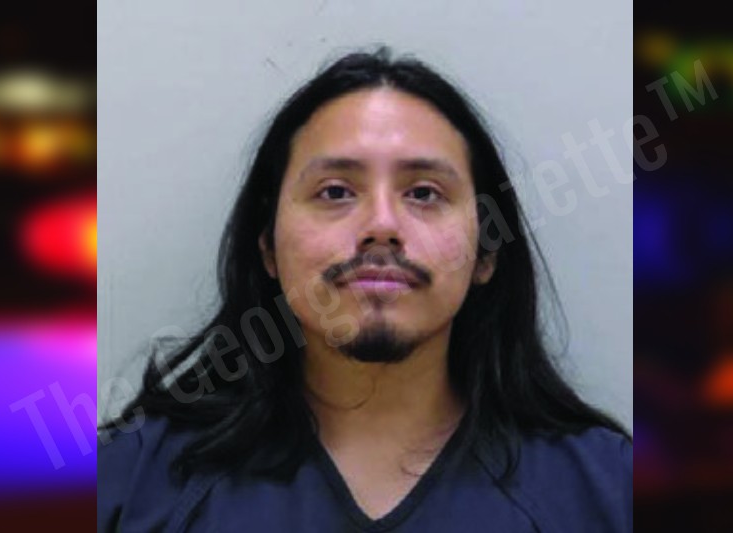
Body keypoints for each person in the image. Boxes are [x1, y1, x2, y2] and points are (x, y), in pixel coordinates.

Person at [98, 48, 632, 532]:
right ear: (268, 248)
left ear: (486, 253)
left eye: (424, 193)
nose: (382, 225)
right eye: (335, 192)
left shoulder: (607, 492)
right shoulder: (131, 485)